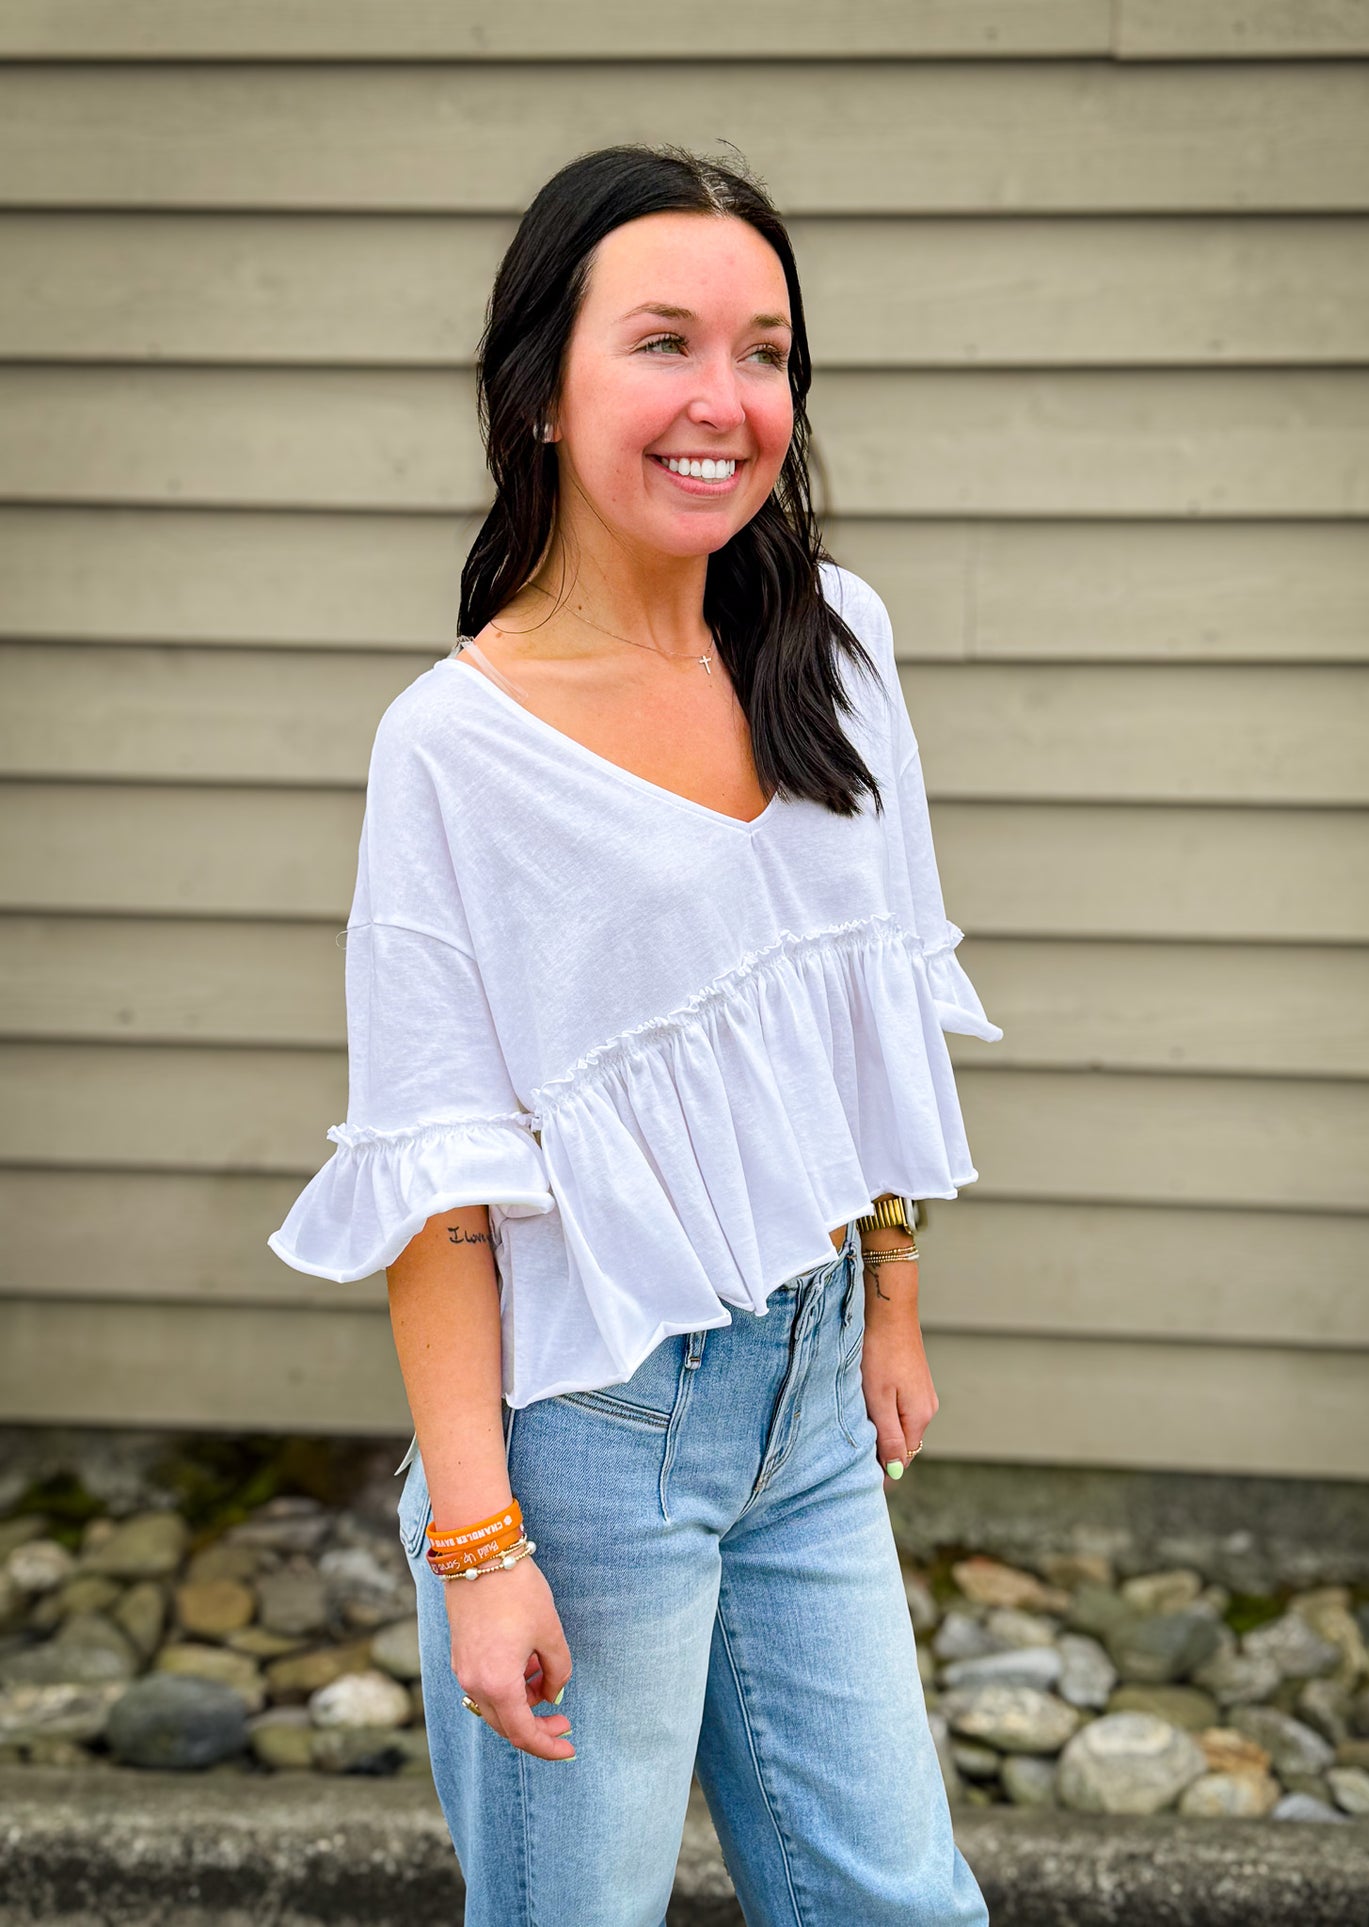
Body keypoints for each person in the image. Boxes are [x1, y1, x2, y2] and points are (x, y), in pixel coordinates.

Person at [268, 142, 1000, 1926]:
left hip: (811, 1397)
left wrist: (888, 1287)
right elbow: (441, 1178)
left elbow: (873, 995)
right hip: (589, 1439)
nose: (722, 402)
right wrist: (478, 1548)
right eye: (662, 343)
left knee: (898, 1906)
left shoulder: (833, 640)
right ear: (540, 393)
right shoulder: (455, 746)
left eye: (764, 352)